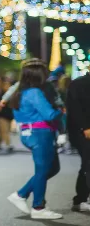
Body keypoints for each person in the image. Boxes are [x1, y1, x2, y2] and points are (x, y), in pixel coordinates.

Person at [6, 58, 63, 220]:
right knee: (44, 170)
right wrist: (62, 111)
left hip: (30, 133)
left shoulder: (20, 92)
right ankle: (38, 207)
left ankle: (21, 194)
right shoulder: (34, 92)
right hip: (40, 134)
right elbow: (49, 114)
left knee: (51, 168)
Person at [65, 72, 90, 212]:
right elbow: (74, 109)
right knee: (88, 163)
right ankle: (80, 199)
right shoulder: (79, 84)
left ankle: (80, 199)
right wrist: (84, 127)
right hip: (82, 132)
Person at [0, 79, 15, 153]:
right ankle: (8, 145)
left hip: (9, 115)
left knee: (2, 132)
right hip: (1, 115)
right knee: (4, 130)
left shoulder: (12, 95)